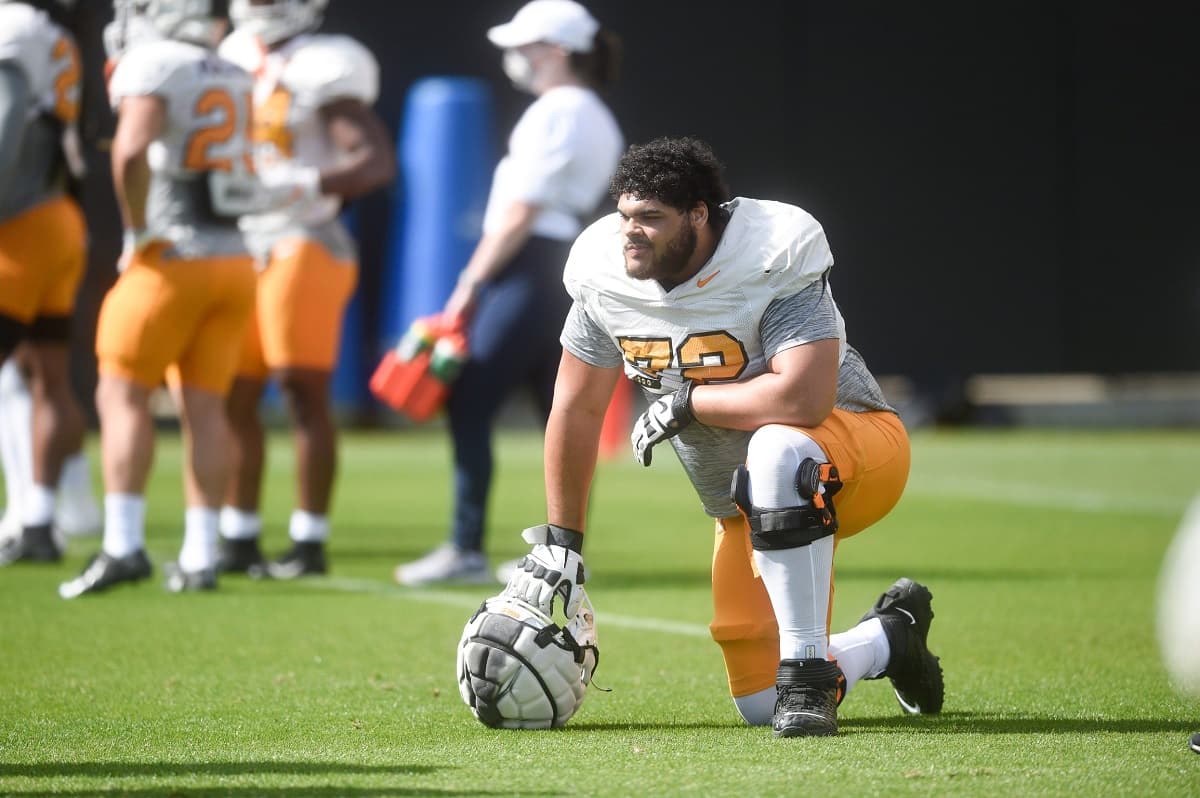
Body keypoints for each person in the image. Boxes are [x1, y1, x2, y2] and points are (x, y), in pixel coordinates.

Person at [502, 136, 944, 737]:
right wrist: (563, 541)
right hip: (743, 507)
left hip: (857, 452)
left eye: (651, 218)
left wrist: (690, 401)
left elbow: (802, 399)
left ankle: (809, 679)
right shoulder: (606, 276)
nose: (630, 232)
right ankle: (890, 638)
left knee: (776, 446)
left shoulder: (770, 254)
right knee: (761, 701)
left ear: (698, 215)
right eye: (625, 215)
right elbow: (576, 408)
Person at [394, 0, 623, 586]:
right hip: (562, 263)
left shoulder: (560, 109)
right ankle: (564, 552)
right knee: (560, 408)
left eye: (527, 45)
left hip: (532, 263)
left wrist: (471, 282)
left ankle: (466, 545)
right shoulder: (590, 111)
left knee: (470, 395)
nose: (516, 56)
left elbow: (523, 209)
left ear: (559, 50)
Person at [58, 0, 259, 597]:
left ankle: (123, 546)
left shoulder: (155, 62)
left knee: (120, 395)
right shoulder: (234, 69)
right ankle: (200, 556)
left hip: (171, 259)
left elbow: (129, 150)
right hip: (234, 261)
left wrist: (137, 231)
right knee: (207, 409)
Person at [214, 0, 396, 579]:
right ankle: (237, 534)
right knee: (234, 392)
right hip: (242, 240)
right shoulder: (231, 54)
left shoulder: (323, 62)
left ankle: (308, 540)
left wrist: (304, 183)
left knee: (300, 389)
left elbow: (374, 161)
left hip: (304, 236)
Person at [0, 0, 98, 565]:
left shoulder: (11, 26)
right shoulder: (51, 33)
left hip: (18, 221)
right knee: (50, 379)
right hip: (59, 214)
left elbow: (8, 120)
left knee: (37, 380)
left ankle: (36, 515)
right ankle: (38, 520)